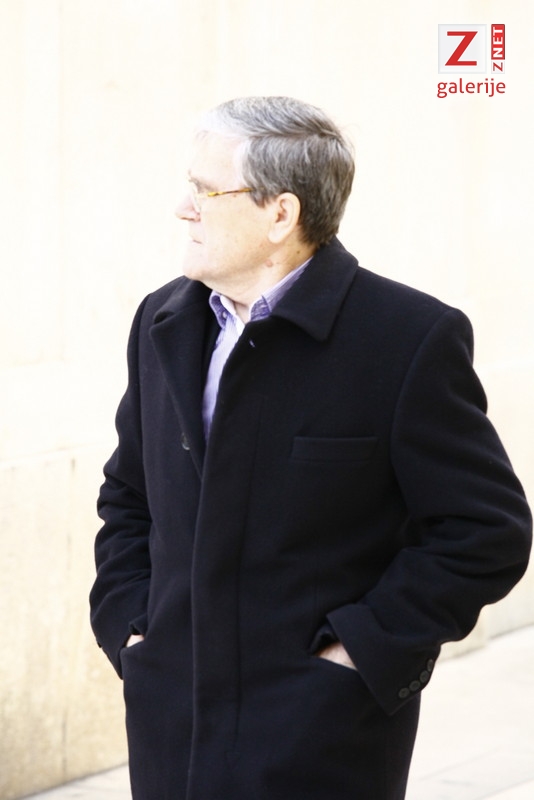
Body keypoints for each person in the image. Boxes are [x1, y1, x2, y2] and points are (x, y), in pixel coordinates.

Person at [90, 96, 532, 800]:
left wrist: (361, 652)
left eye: (205, 190)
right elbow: (128, 495)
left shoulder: (407, 338)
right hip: (170, 727)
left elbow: (486, 532)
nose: (183, 208)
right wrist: (132, 631)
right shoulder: (161, 321)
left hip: (323, 739)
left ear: (281, 215)